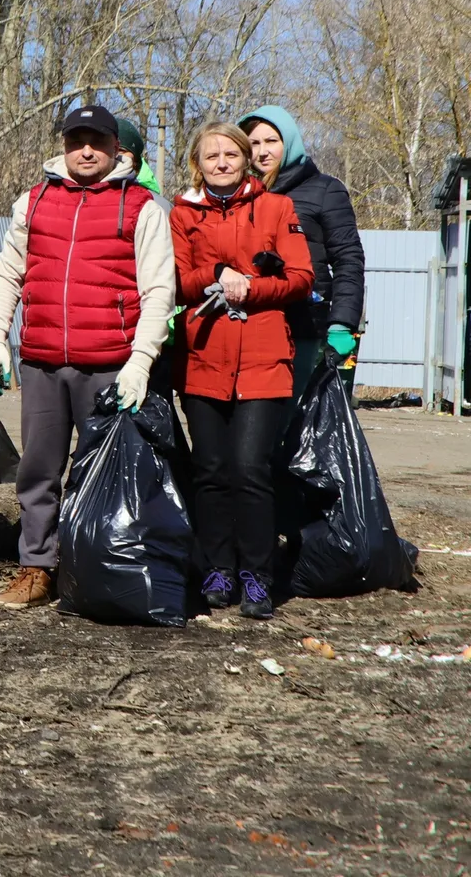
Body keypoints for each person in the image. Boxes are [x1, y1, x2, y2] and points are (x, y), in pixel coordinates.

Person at [0, 106, 177, 608]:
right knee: (38, 470)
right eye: (76, 140)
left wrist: (140, 362)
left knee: (100, 473)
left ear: (115, 147)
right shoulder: (36, 200)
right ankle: (36, 567)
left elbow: (159, 291)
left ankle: (91, 566)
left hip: (110, 363)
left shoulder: (141, 206)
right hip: (43, 361)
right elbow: (8, 274)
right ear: (64, 144)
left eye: (96, 140)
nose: (85, 150)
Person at [171, 122, 312, 619]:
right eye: (212, 156)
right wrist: (213, 275)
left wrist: (252, 289)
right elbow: (178, 279)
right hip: (203, 357)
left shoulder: (276, 208)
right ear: (198, 163)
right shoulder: (183, 212)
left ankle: (257, 574)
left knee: (250, 469)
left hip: (263, 358)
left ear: (247, 158)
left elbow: (300, 278)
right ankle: (217, 569)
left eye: (232, 153)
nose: (223, 163)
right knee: (210, 471)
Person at [239, 105, 365, 399]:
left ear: (290, 141)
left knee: (298, 420)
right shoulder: (239, 194)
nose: (262, 152)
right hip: (249, 322)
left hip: (305, 325)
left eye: (272, 141)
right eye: (253, 143)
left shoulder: (325, 190)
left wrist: (342, 322)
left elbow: (348, 258)